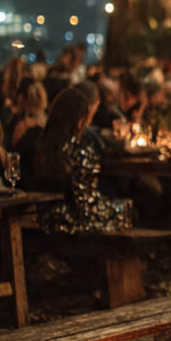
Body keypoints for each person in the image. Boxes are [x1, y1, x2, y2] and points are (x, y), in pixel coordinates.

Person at [35, 86, 134, 233]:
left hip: (46, 215)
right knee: (125, 207)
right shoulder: (78, 149)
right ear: (80, 120)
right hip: (71, 219)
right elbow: (86, 200)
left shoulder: (44, 143)